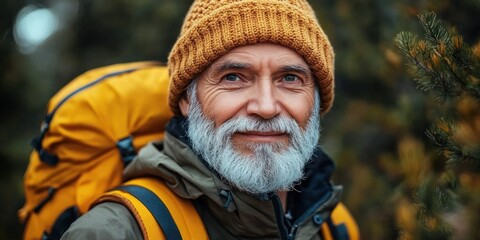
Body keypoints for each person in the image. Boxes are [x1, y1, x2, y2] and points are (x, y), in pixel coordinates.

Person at [61, 0, 359, 239]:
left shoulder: (336, 224)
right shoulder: (117, 231)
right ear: (187, 99)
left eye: (290, 78)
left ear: (317, 102)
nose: (266, 107)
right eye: (233, 77)